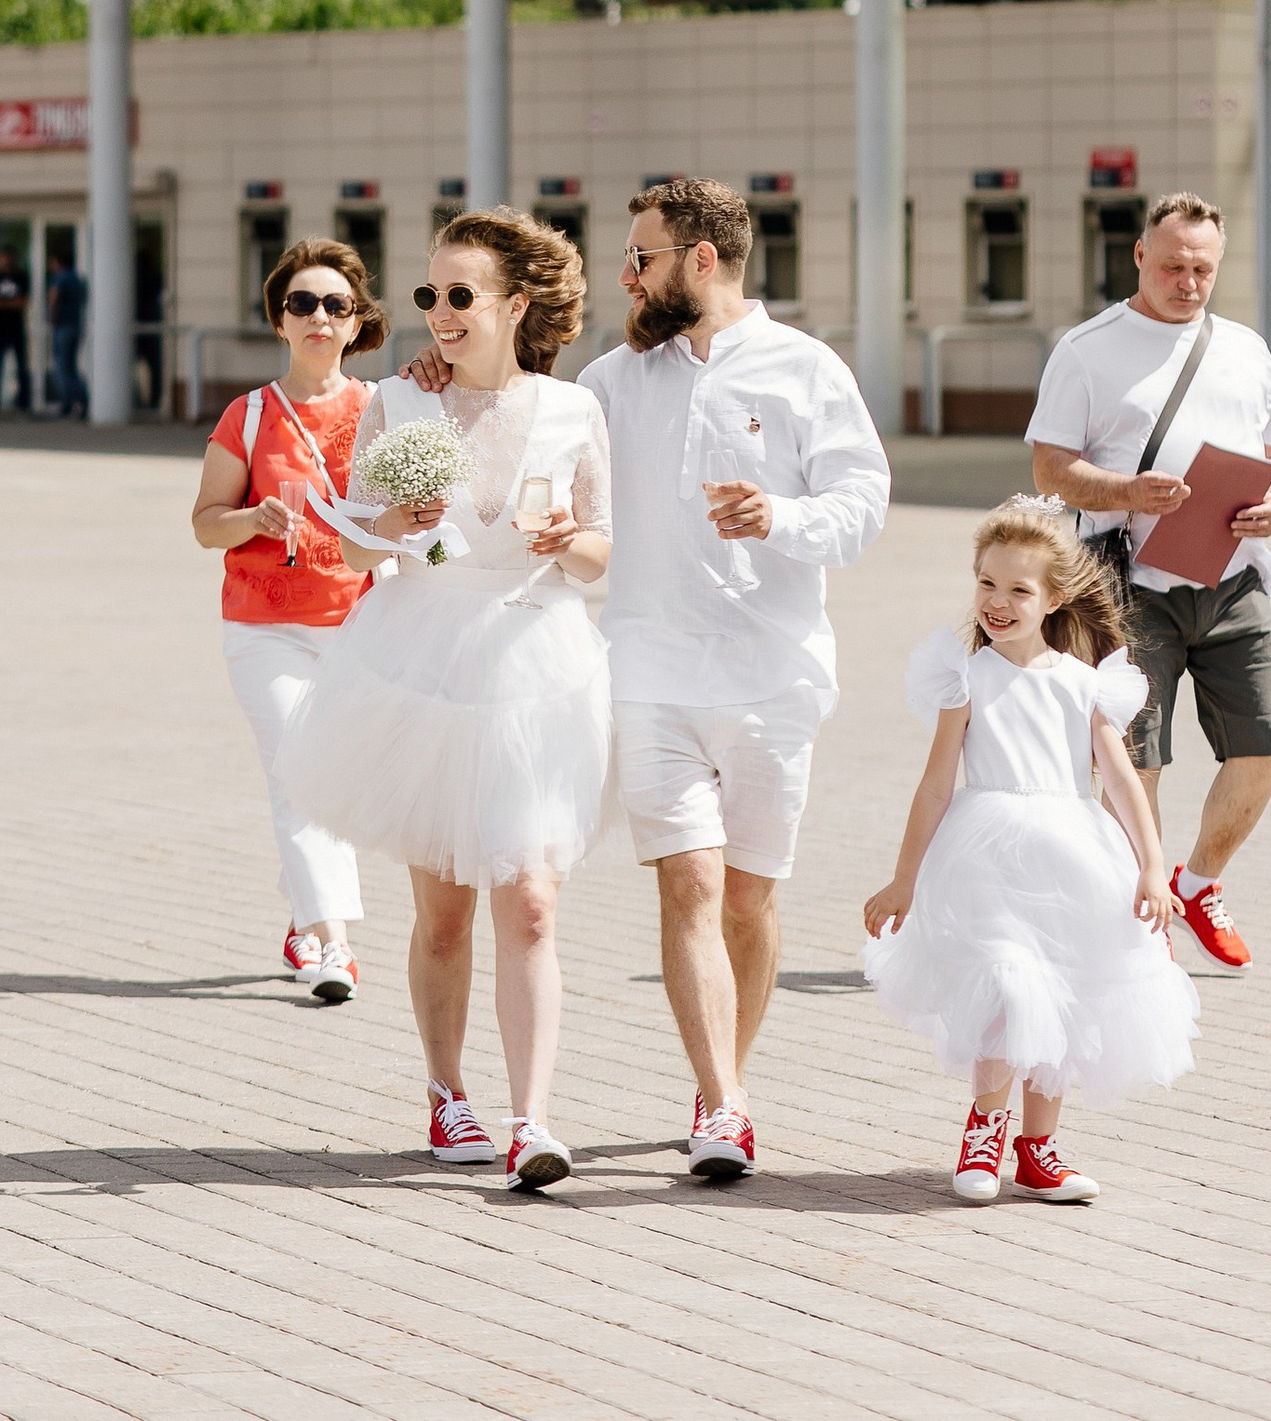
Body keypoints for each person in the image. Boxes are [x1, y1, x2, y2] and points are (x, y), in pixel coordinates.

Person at [405, 177, 891, 1181]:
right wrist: (436, 379)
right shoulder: (611, 385)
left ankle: (727, 1085)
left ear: (701, 261)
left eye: (642, 256)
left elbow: (864, 500)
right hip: (645, 670)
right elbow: (512, 396)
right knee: (692, 885)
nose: (627, 273)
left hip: (776, 675)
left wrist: (781, 519)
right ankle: (721, 1105)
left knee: (749, 903)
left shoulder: (805, 370)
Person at [286, 209, 614, 1191]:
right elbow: (352, 547)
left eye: (459, 295)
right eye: (428, 295)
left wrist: (569, 543)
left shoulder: (572, 411)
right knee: (443, 917)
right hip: (425, 659)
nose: (438, 312)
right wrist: (398, 518)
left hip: (535, 662)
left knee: (534, 903)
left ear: (518, 304)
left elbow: (605, 552)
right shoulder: (398, 400)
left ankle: (533, 1121)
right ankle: (446, 1094)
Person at [862, 497, 1199, 1205]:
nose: (999, 602)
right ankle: (984, 1128)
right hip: (985, 856)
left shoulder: (1084, 683)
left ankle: (1039, 1148)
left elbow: (1121, 778)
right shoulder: (965, 677)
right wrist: (903, 879)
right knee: (1006, 988)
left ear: (1054, 598)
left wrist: (1150, 865)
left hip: (1072, 858)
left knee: (1062, 992)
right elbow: (934, 786)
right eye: (987, 583)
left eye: (1019, 589)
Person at [1028, 191, 1271, 973]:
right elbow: (1050, 467)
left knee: (1264, 745)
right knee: (1134, 762)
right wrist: (1125, 491)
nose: (1188, 281)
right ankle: (1135, 917)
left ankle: (1198, 882)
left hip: (1234, 579)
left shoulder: (1245, 347)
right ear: (1140, 256)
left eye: (1203, 269)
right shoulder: (1087, 348)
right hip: (1132, 587)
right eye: (1174, 265)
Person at [190, 239, 386, 1003]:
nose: (318, 316)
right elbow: (206, 524)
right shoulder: (248, 415)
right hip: (263, 629)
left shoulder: (380, 410)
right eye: (302, 302)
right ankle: (334, 943)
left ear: (355, 321)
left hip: (358, 627)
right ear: (278, 319)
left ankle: (303, 913)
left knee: (330, 782)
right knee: (297, 771)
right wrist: (251, 518)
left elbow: (409, 521)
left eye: (335, 304)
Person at [0, 245, 33, 417]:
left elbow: (23, 302)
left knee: (21, 367)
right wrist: (10, 303)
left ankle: (24, 404)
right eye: (2, 257)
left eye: (7, 256)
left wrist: (3, 303)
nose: (5, 260)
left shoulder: (20, 277)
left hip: (16, 328)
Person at [46, 255, 89, 420]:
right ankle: (74, 401)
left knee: (63, 368)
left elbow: (54, 297)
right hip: (75, 326)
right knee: (71, 367)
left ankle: (74, 400)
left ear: (58, 263)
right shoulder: (77, 279)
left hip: (63, 327)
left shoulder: (61, 278)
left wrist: (53, 319)